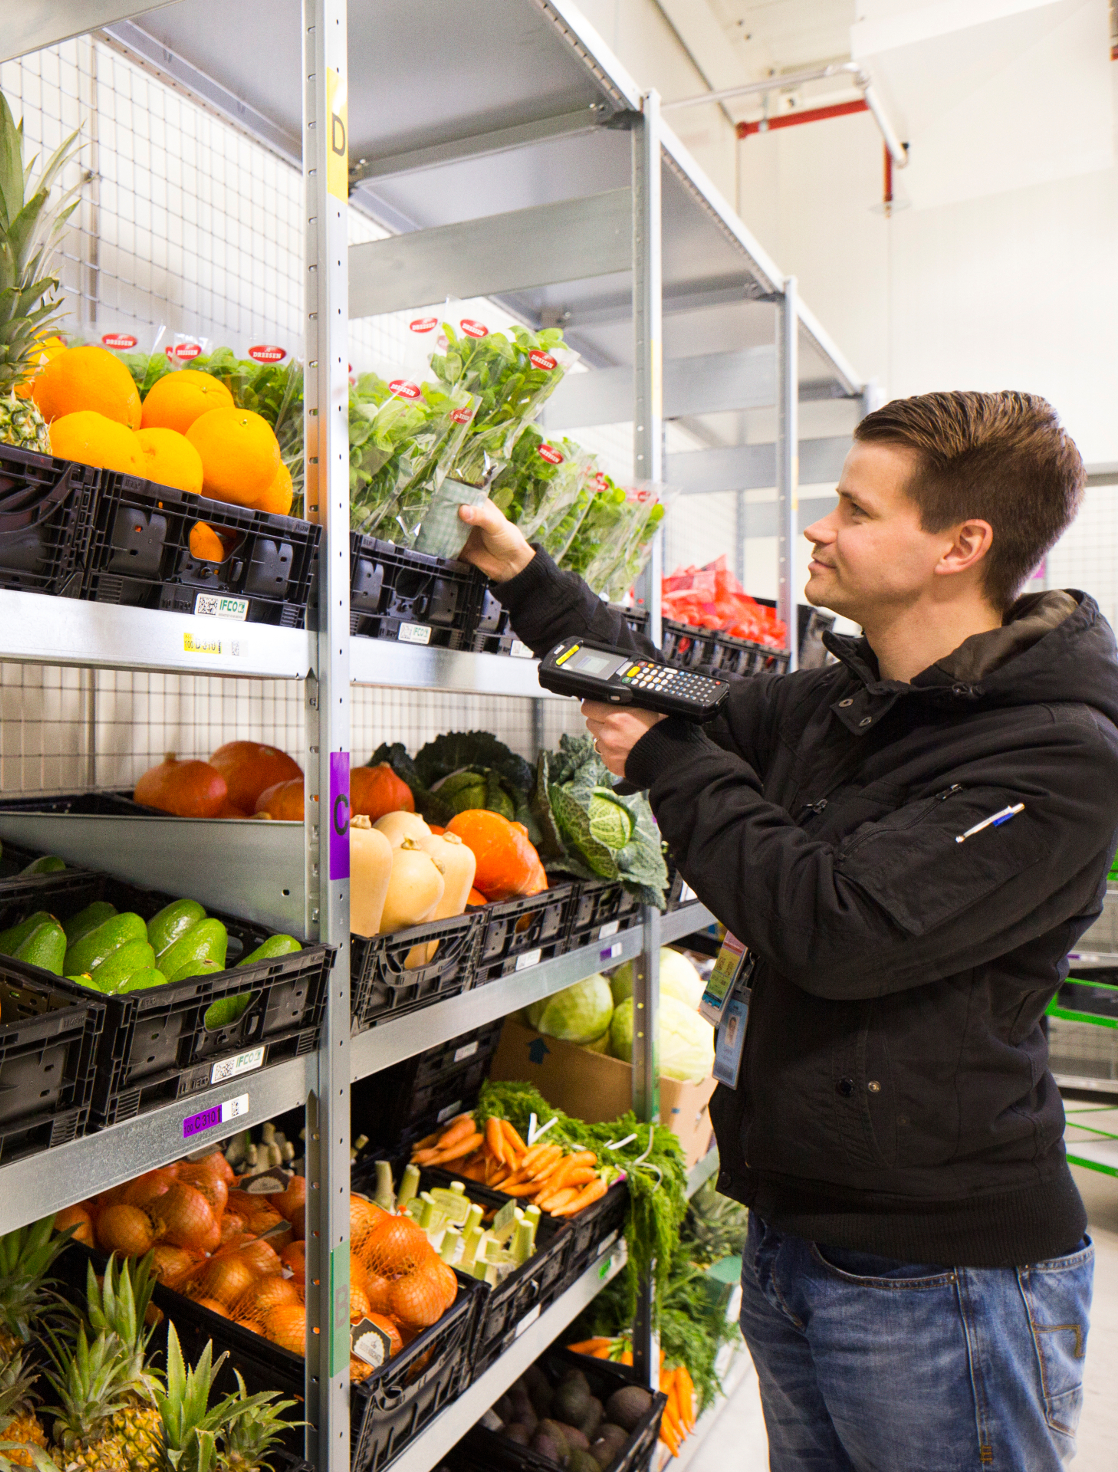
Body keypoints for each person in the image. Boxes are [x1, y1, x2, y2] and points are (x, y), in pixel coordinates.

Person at [455, 390, 1106, 1470]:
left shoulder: (1053, 755)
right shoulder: (845, 705)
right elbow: (660, 685)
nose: (819, 526)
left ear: (960, 546)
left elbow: (835, 924)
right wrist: (526, 577)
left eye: (855, 509)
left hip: (942, 1277)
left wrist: (665, 757)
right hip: (796, 1234)